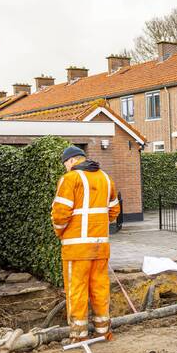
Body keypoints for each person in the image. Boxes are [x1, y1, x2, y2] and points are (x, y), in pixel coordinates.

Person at [51, 145, 120, 342]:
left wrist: (60, 232)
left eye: (66, 164)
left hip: (76, 249)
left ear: (71, 161)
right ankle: (103, 332)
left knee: (77, 290)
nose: (66, 168)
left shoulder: (70, 178)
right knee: (100, 288)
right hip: (100, 247)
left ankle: (78, 336)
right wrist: (97, 227)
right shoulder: (106, 178)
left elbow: (60, 214)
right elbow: (114, 211)